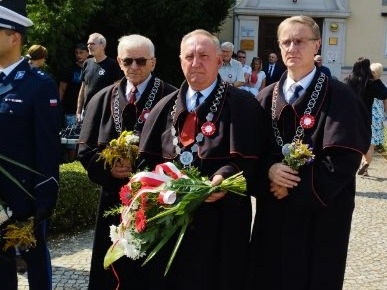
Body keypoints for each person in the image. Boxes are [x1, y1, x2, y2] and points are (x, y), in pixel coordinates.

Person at [247, 15, 370, 290]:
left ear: (317, 46)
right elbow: (251, 152)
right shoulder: (265, 97)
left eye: (300, 41)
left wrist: (291, 186)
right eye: (286, 42)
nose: (292, 48)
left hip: (321, 215)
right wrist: (269, 170)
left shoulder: (341, 97)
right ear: (279, 49)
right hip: (273, 212)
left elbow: (344, 159)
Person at [136, 29, 264, 290]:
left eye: (204, 56)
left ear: (219, 61)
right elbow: (146, 166)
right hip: (171, 229)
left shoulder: (244, 105)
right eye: (189, 56)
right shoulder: (163, 108)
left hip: (222, 225)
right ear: (180, 61)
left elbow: (254, 160)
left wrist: (225, 177)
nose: (196, 63)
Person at [77, 34, 176, 290]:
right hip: (112, 199)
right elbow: (85, 151)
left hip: (157, 203)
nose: (134, 67)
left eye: (141, 61)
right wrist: (109, 168)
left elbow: (180, 152)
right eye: (128, 60)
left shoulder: (173, 99)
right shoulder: (102, 98)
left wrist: (145, 173)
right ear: (119, 62)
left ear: (153, 63)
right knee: (111, 272)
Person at [0, 1, 61, 289]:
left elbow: (47, 146)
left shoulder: (39, 85)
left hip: (24, 196)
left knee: (35, 263)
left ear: (14, 37)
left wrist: (45, 197)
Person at [345, 59, 387, 176]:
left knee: (351, 141)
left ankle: (350, 164)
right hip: (365, 117)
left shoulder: (348, 80)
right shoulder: (371, 84)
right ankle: (365, 162)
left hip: (351, 116)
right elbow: (384, 94)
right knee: (367, 143)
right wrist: (378, 80)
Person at [76, 32, 123, 123]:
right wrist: (78, 111)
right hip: (88, 111)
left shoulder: (112, 64)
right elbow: (83, 88)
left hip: (105, 112)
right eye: (88, 44)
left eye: (92, 43)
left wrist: (115, 112)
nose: (89, 46)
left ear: (102, 46)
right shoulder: (87, 63)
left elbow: (118, 89)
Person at [58, 43, 89, 162]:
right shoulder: (69, 69)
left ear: (87, 53)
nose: (78, 55)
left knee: (86, 139)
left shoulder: (93, 68)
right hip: (71, 109)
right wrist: (58, 106)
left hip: (88, 109)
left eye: (81, 52)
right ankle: (72, 162)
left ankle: (83, 163)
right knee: (71, 140)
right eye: (76, 53)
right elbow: (62, 88)